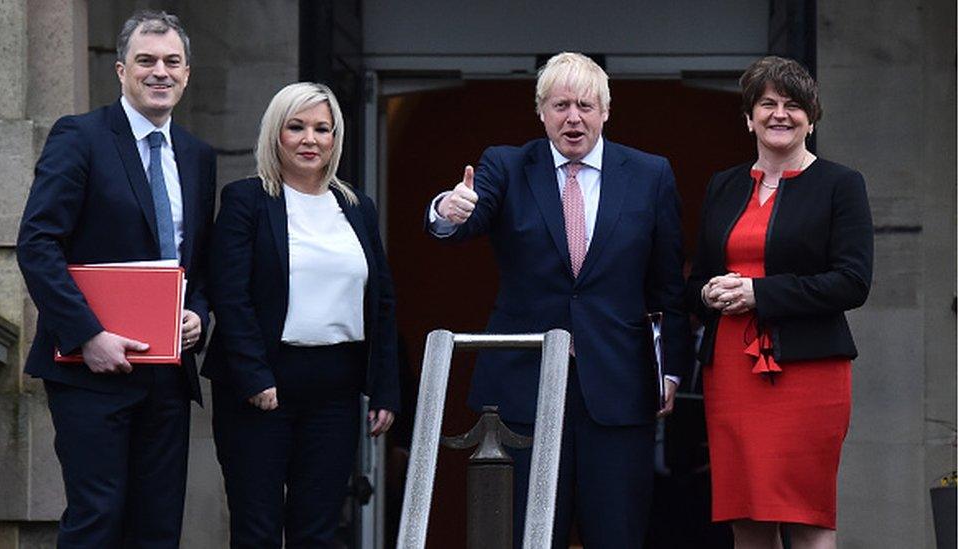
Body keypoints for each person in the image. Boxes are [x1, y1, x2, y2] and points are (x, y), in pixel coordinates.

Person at [426, 52, 691, 549]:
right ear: (541, 112)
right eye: (561, 105)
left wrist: (669, 370)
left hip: (618, 388)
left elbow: (666, 287)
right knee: (528, 535)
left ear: (606, 111)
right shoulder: (505, 165)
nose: (574, 118)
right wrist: (448, 209)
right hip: (523, 388)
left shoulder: (650, 174)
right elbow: (464, 218)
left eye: (586, 105)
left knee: (617, 534)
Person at [15, 10, 216, 547]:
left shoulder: (197, 156)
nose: (160, 72)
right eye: (146, 61)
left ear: (187, 73)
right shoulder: (79, 137)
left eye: (172, 61)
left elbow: (197, 259)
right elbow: (37, 243)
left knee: (157, 529)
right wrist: (87, 334)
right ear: (121, 71)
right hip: (92, 372)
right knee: (97, 520)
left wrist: (196, 310)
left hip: (167, 376)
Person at [686, 56, 873, 549]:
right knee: (746, 517)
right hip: (731, 370)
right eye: (766, 104)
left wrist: (758, 293)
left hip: (809, 371)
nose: (779, 114)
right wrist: (706, 293)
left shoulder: (841, 184)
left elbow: (853, 282)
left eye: (793, 105)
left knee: (807, 515)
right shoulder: (723, 186)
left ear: (811, 118)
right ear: (748, 117)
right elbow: (696, 277)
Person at [203, 82, 400, 548]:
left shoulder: (357, 208)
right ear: (276, 134)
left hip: (335, 392)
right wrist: (254, 377)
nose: (309, 139)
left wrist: (385, 388)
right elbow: (231, 296)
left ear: (335, 139)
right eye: (297, 127)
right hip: (260, 390)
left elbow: (383, 302)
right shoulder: (246, 201)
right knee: (258, 531)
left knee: (318, 531)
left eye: (321, 129)